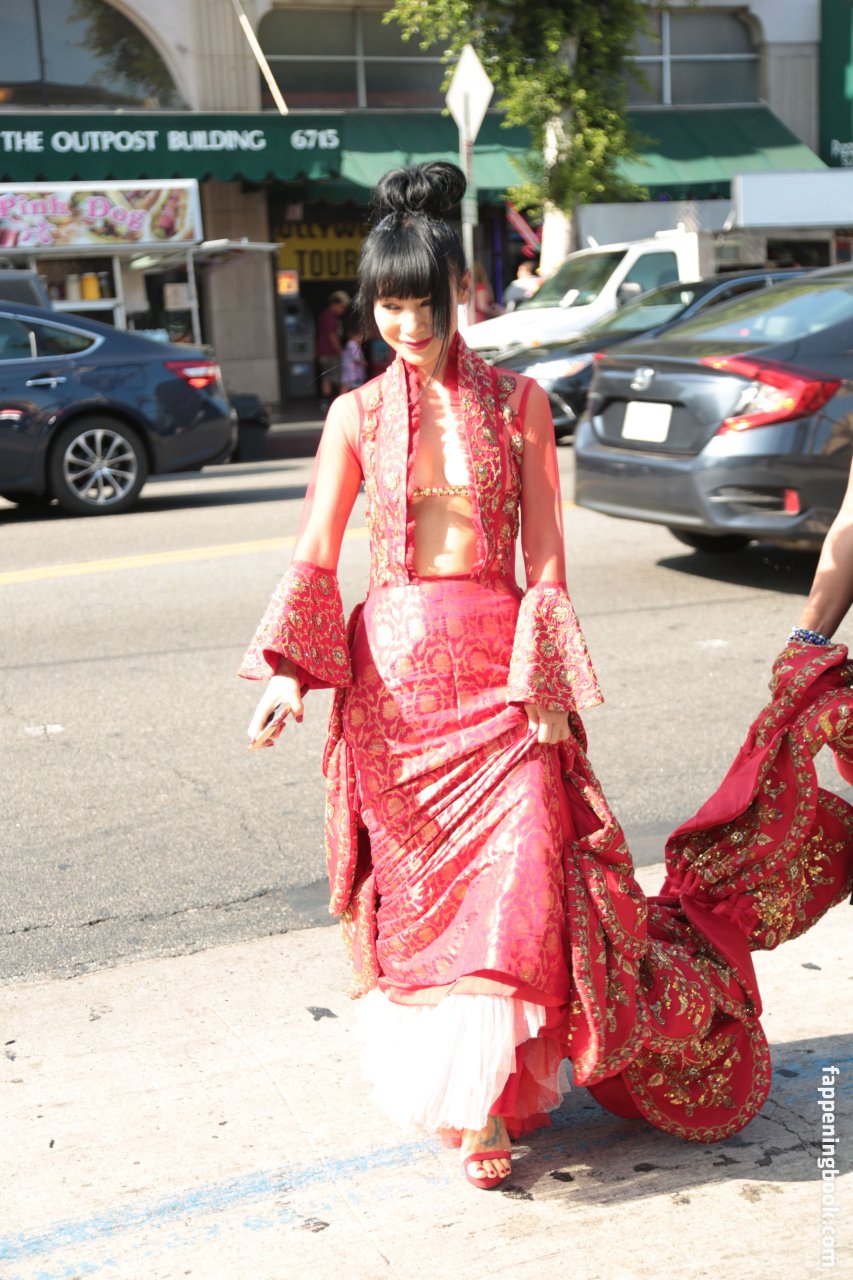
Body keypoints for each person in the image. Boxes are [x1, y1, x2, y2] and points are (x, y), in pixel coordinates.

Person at [240, 162, 853, 1192]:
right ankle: (472, 1096)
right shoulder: (354, 415)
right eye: (387, 306)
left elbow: (548, 565)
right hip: (395, 695)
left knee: (520, 881)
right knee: (424, 904)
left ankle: (488, 1092)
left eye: (422, 304)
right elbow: (316, 550)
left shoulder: (519, 403)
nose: (404, 326)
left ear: (461, 294)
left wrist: (548, 689)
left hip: (505, 684)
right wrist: (287, 676)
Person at [315, 290, 350, 411]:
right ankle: (338, 402)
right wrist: (340, 351)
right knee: (337, 378)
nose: (343, 310)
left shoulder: (327, 315)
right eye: (342, 307)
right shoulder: (329, 317)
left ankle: (326, 401)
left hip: (324, 353)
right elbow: (332, 335)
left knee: (327, 377)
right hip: (330, 353)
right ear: (335, 304)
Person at [339, 321, 368, 392]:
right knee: (358, 388)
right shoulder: (354, 345)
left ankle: (341, 397)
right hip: (354, 372)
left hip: (347, 370)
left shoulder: (349, 344)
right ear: (356, 336)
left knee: (345, 385)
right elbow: (356, 358)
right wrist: (364, 363)